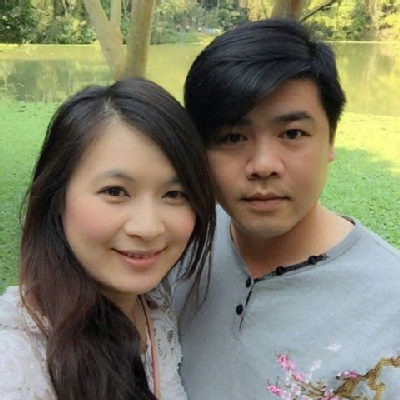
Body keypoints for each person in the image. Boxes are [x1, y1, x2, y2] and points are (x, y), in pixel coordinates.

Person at [174, 19, 400, 399]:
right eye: (232, 137)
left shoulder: (390, 300)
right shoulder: (174, 244)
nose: (263, 165)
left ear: (331, 140)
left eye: (292, 134)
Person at [0, 77, 215, 400]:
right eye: (115, 191)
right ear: (58, 197)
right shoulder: (16, 364)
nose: (148, 228)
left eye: (174, 194)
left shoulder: (156, 308)